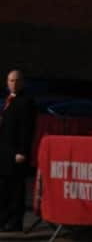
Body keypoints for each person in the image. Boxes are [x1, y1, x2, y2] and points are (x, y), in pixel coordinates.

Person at [0, 69, 36, 232]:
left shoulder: (26, 102)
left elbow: (26, 129)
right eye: (10, 81)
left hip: (16, 153)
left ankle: (15, 222)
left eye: (16, 80)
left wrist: (22, 151)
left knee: (16, 188)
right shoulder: (8, 100)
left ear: (22, 82)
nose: (13, 84)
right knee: (5, 187)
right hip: (5, 152)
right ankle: (4, 219)